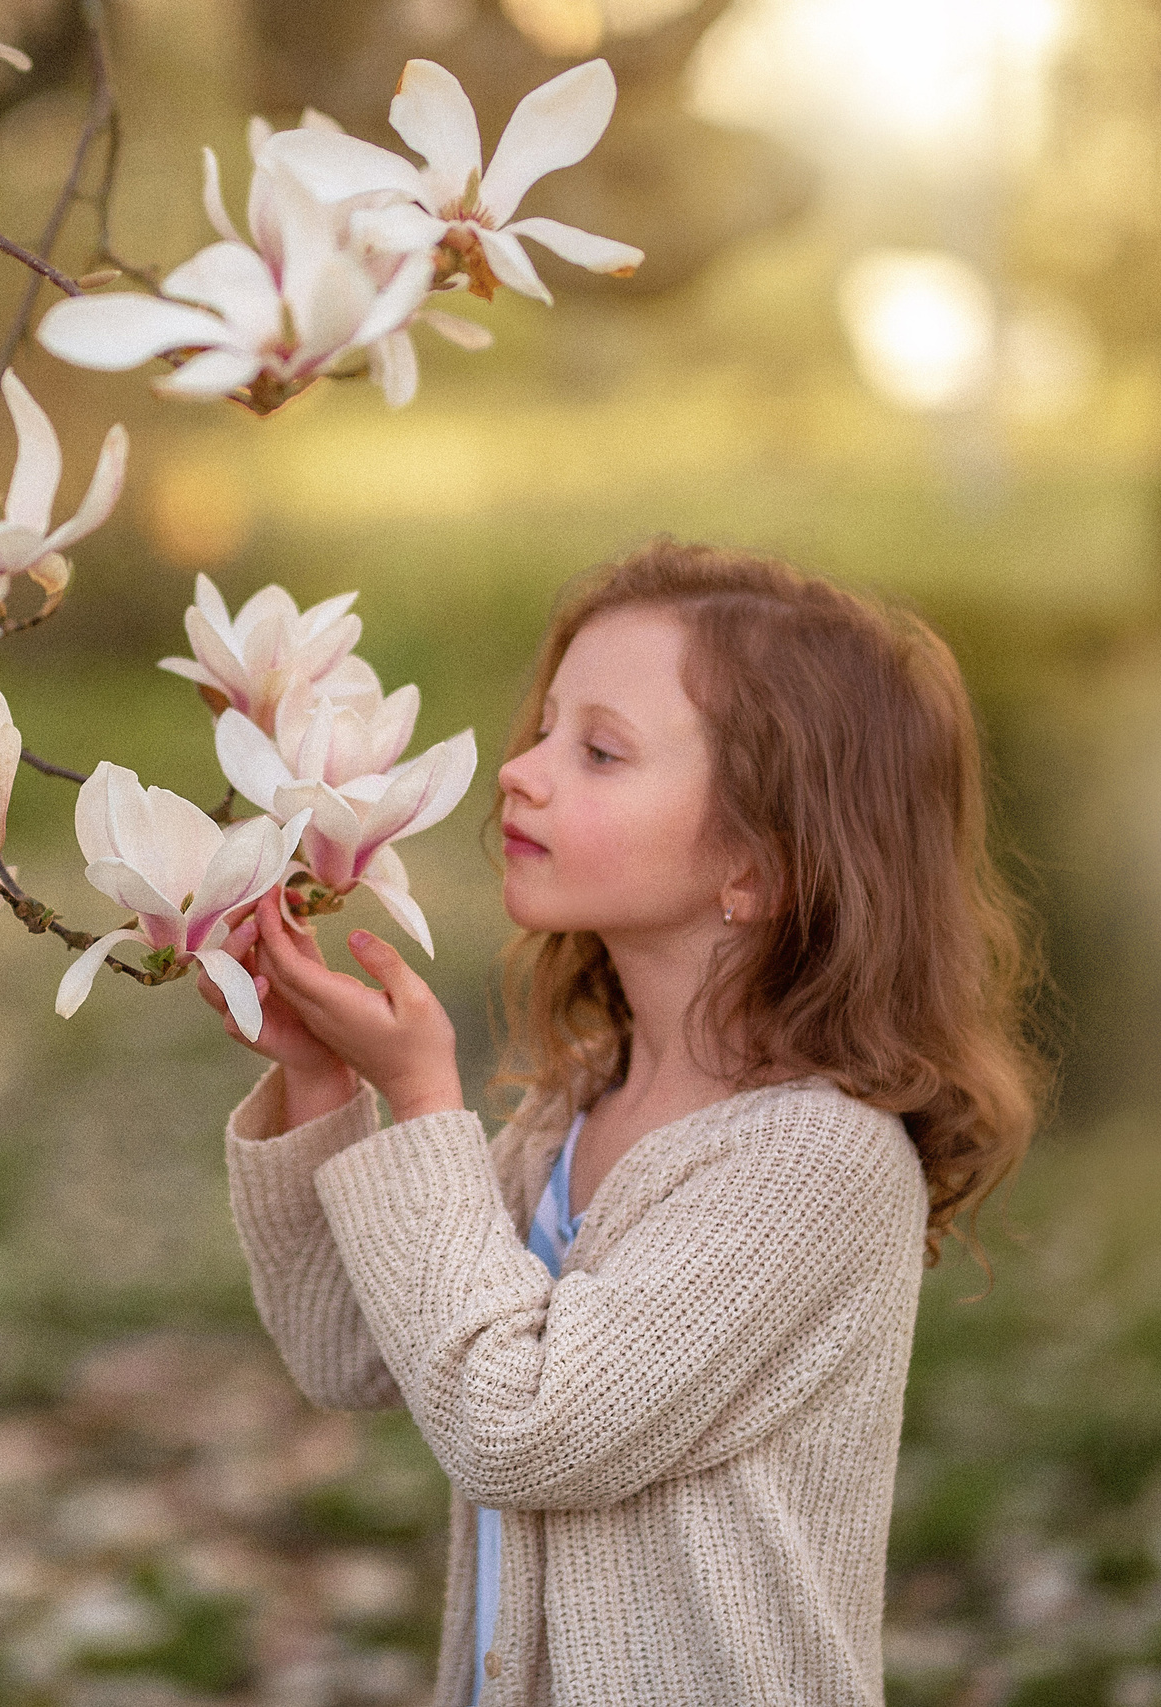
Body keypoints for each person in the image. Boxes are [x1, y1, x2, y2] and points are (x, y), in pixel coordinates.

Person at [196, 540, 1043, 1706]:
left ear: (755, 863)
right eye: (542, 730)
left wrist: (429, 1096)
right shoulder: (579, 1106)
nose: (519, 773)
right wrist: (322, 1087)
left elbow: (520, 1429)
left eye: (598, 752)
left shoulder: (816, 1163)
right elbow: (355, 1348)